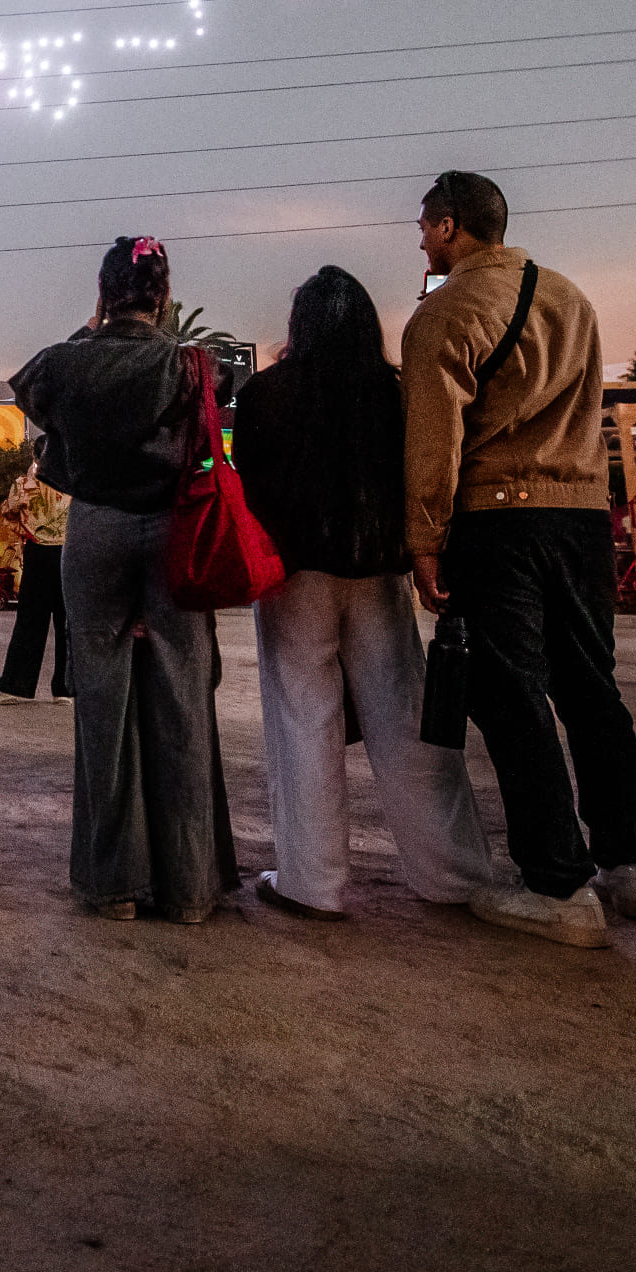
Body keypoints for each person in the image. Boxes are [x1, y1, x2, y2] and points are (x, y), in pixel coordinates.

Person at [403, 170, 636, 949]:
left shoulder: (444, 312)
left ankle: (557, 886)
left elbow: (435, 440)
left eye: (423, 226)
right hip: (581, 518)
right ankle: (627, 864)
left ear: (450, 227)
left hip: (498, 519)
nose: (420, 240)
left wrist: (424, 539)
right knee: (591, 688)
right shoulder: (571, 298)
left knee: (511, 697)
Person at [232, 267, 498, 921]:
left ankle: (312, 882)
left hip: (295, 578)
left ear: (300, 326)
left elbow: (250, 484)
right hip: (378, 574)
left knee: (303, 719)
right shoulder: (393, 393)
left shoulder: (266, 394)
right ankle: (453, 873)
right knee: (405, 719)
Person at [11, 237, 239, 923]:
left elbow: (34, 394)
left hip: (96, 532)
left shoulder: (62, 364)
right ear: (163, 297)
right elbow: (225, 395)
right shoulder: (190, 366)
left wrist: (94, 327)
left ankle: (113, 885)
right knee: (183, 697)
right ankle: (190, 889)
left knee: (101, 703)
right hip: (173, 531)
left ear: (105, 294)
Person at [0, 460, 72, 703]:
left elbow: (11, 511)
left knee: (30, 621)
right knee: (67, 622)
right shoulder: (73, 481)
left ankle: (16, 686)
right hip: (69, 552)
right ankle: (65, 689)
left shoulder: (26, 484)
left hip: (38, 552)